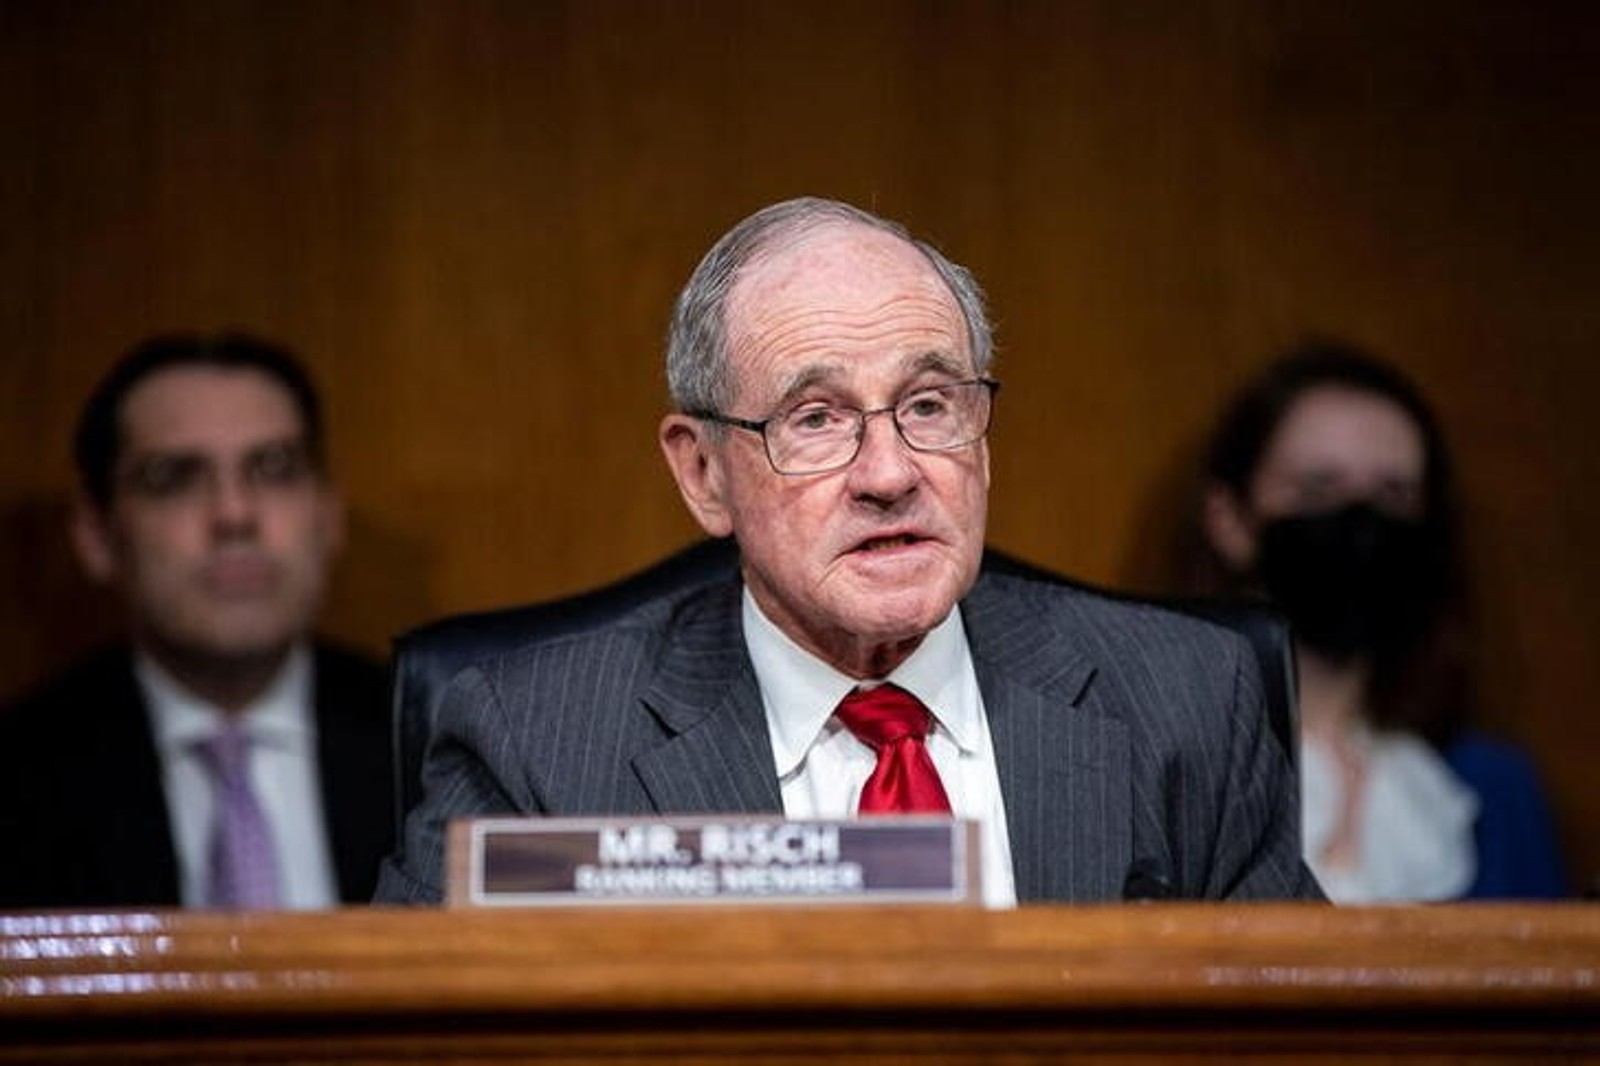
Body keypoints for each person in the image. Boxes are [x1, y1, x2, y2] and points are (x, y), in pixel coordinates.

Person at [376, 197, 1321, 906]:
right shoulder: (537, 749)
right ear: (703, 473)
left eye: (928, 406)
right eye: (816, 418)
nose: (890, 473)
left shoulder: (1187, 701)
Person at [0, 333, 393, 910]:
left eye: (274, 468)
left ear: (329, 515)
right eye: (174, 478)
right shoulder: (19, 777)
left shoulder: (435, 749)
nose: (234, 514)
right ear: (97, 535)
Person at [1192, 342, 1566, 901]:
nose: (1360, 523)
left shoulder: (1490, 792)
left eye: (1394, 494)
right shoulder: (1174, 778)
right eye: (1319, 488)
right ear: (1229, 520)